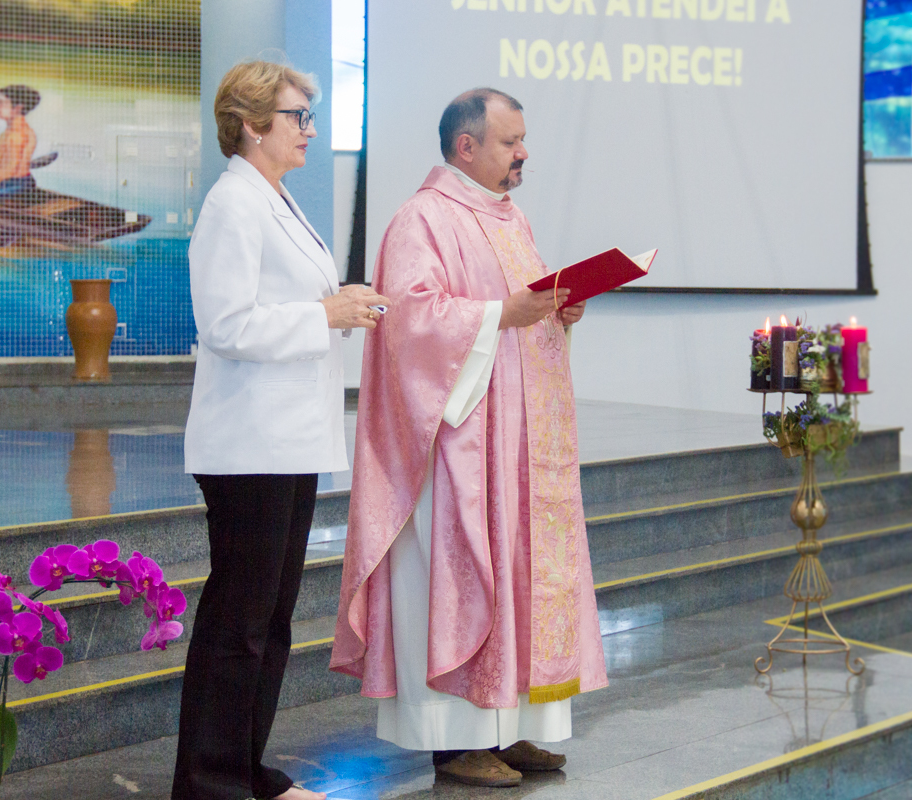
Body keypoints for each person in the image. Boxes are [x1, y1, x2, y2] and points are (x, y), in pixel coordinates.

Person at [330, 88, 608, 788]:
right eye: (511, 141)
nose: (523, 153)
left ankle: (508, 728)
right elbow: (409, 321)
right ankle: (454, 742)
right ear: (466, 146)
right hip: (458, 446)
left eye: (522, 140)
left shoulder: (511, 218)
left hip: (518, 441)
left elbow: (517, 312)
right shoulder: (422, 218)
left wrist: (556, 311)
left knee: (521, 579)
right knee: (459, 580)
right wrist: (501, 314)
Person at [173, 60, 389, 800]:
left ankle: (243, 768)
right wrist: (324, 314)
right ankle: (209, 783)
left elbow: (284, 303)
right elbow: (225, 324)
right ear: (252, 123)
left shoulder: (274, 198)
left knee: (269, 622)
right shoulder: (232, 203)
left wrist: (340, 301)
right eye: (299, 117)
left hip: (287, 438)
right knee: (239, 623)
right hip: (249, 444)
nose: (311, 131)